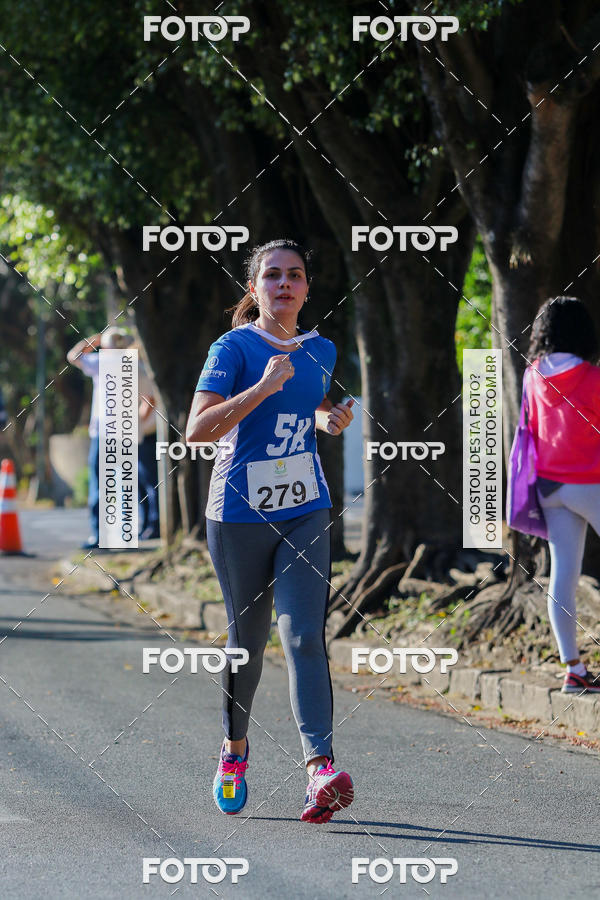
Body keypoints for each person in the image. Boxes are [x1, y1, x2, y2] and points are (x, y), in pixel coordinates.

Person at [186, 239, 355, 822]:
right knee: (247, 644)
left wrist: (324, 418)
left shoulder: (322, 349)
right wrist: (261, 386)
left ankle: (320, 770)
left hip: (306, 504)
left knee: (305, 635)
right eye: (273, 276)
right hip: (238, 513)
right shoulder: (232, 347)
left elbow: (299, 411)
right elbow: (197, 430)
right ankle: (234, 752)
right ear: (254, 288)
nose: (284, 284)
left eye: (295, 275)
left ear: (308, 288)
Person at [526, 295, 600, 693]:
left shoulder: (532, 374)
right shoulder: (592, 377)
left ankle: (573, 668)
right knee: (566, 574)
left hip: (549, 487)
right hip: (590, 482)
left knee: (563, 575)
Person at [67, 327, 132, 549]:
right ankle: (124, 535)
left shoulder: (100, 362)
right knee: (123, 485)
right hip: (124, 432)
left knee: (101, 486)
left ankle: (98, 534)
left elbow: (73, 356)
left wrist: (91, 340)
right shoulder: (131, 364)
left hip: (104, 433)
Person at [137, 355, 160, 540]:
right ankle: (145, 524)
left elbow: (149, 400)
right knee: (141, 483)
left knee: (150, 483)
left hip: (147, 434)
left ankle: (154, 525)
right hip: (140, 435)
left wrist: (134, 422)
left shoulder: (140, 369)